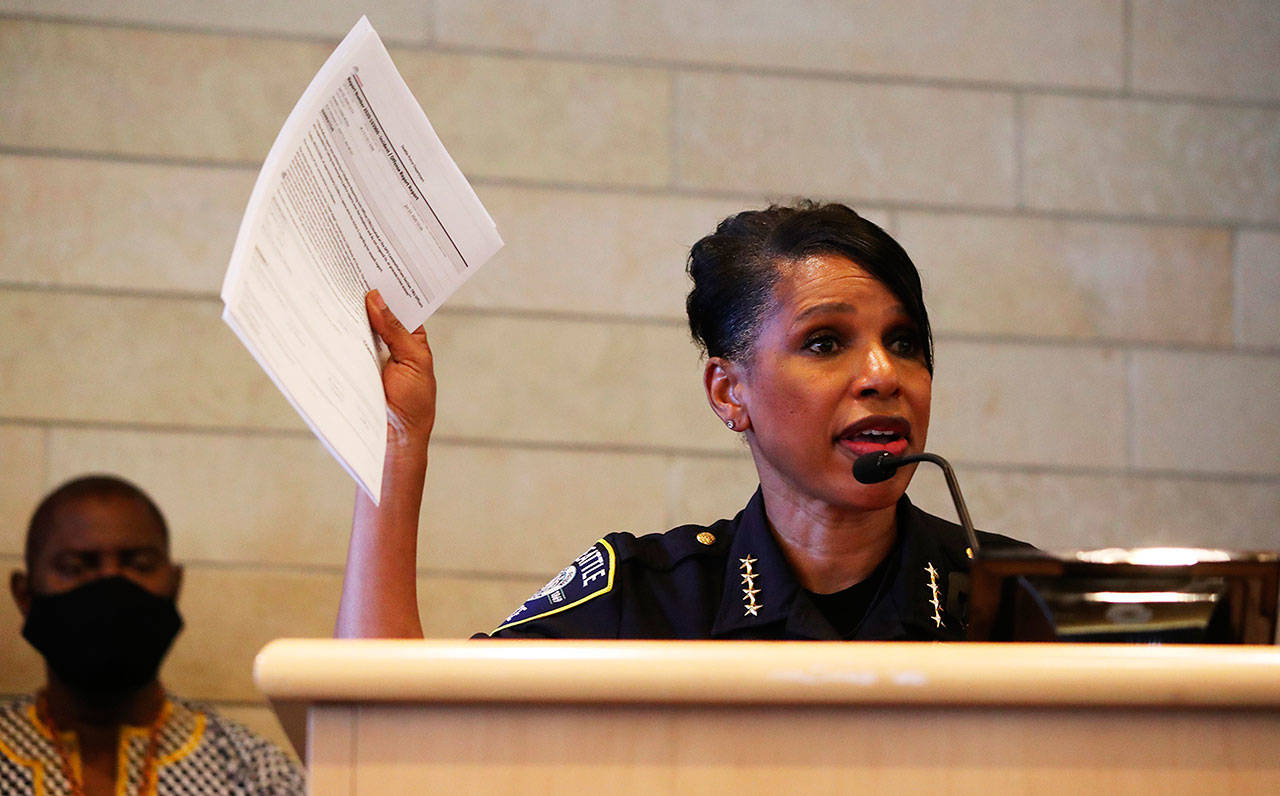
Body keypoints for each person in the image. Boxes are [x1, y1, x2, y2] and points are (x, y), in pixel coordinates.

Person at [335, 201, 1030, 642]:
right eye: (825, 343)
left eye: (904, 342)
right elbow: (392, 748)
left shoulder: (1021, 601)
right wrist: (398, 443)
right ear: (729, 393)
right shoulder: (640, 602)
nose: (883, 374)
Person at [3, 475, 304, 795]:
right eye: (76, 567)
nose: (111, 583)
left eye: (140, 564)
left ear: (175, 585)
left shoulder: (256, 777)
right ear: (25, 595)